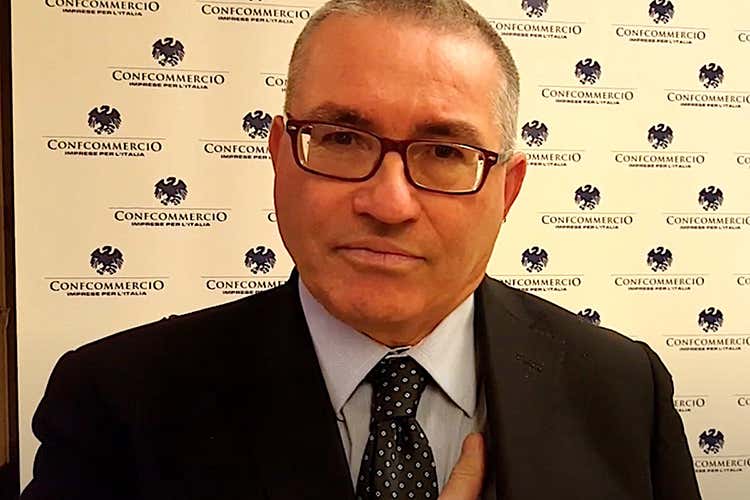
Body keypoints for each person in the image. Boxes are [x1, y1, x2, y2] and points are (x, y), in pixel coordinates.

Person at [22, 1, 702, 499]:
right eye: (343, 139)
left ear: (507, 188)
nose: (389, 202)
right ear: (280, 155)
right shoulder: (118, 404)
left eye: (445, 152)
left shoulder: (623, 390)